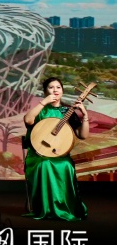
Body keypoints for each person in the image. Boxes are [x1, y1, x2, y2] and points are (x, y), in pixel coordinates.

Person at [22, 76, 88, 221]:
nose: (55, 90)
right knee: (45, 164)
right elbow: (28, 120)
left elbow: (82, 135)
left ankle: (65, 206)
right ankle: (44, 207)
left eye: (58, 87)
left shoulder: (67, 111)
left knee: (66, 165)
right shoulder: (41, 110)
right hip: (38, 154)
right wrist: (44, 102)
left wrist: (85, 115)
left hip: (59, 154)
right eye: (51, 87)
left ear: (62, 91)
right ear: (45, 91)